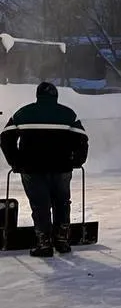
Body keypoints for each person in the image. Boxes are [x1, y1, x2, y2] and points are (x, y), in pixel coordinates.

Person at [0, 82, 89, 257]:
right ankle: (62, 241)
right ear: (55, 96)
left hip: (32, 168)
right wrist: (76, 160)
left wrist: (15, 161)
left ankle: (44, 244)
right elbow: (82, 139)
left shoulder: (23, 113)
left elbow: (5, 138)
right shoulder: (68, 114)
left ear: (38, 95)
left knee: (40, 204)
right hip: (62, 168)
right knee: (62, 202)